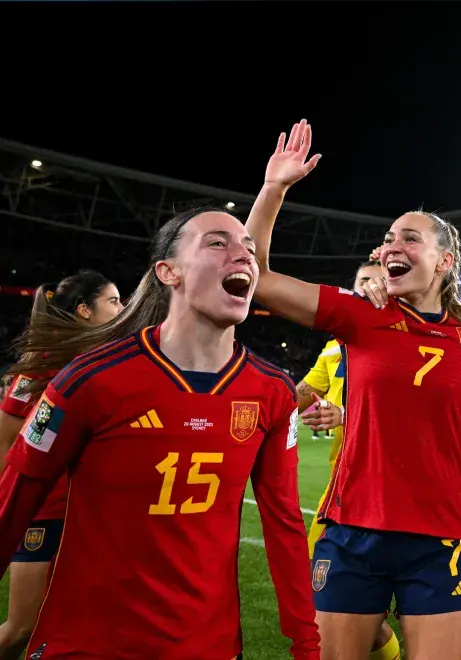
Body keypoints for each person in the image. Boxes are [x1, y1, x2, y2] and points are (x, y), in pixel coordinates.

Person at [0, 208, 320, 659]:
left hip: (210, 647)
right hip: (89, 646)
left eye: (249, 248)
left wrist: (306, 642)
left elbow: (285, 523)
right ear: (168, 272)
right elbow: (14, 500)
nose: (244, 256)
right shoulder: (89, 379)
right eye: (217, 243)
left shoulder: (272, 391)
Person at [246, 120, 461, 660]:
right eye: (387, 238)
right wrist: (274, 189)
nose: (390, 246)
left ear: (445, 261)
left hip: (439, 537)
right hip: (354, 529)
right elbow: (256, 276)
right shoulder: (362, 315)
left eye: (409, 237)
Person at [0, 270, 123, 659]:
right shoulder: (40, 367)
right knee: (22, 627)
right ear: (85, 310)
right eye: (114, 301)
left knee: (76, 629)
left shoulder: (110, 364)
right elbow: (5, 440)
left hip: (90, 519)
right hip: (43, 514)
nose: (123, 309)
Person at [297, 260, 402, 660]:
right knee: (326, 593)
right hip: (342, 485)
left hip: (393, 489)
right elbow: (304, 393)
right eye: (361, 282)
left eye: (377, 281)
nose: (369, 288)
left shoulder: (408, 339)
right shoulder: (333, 347)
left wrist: (347, 414)